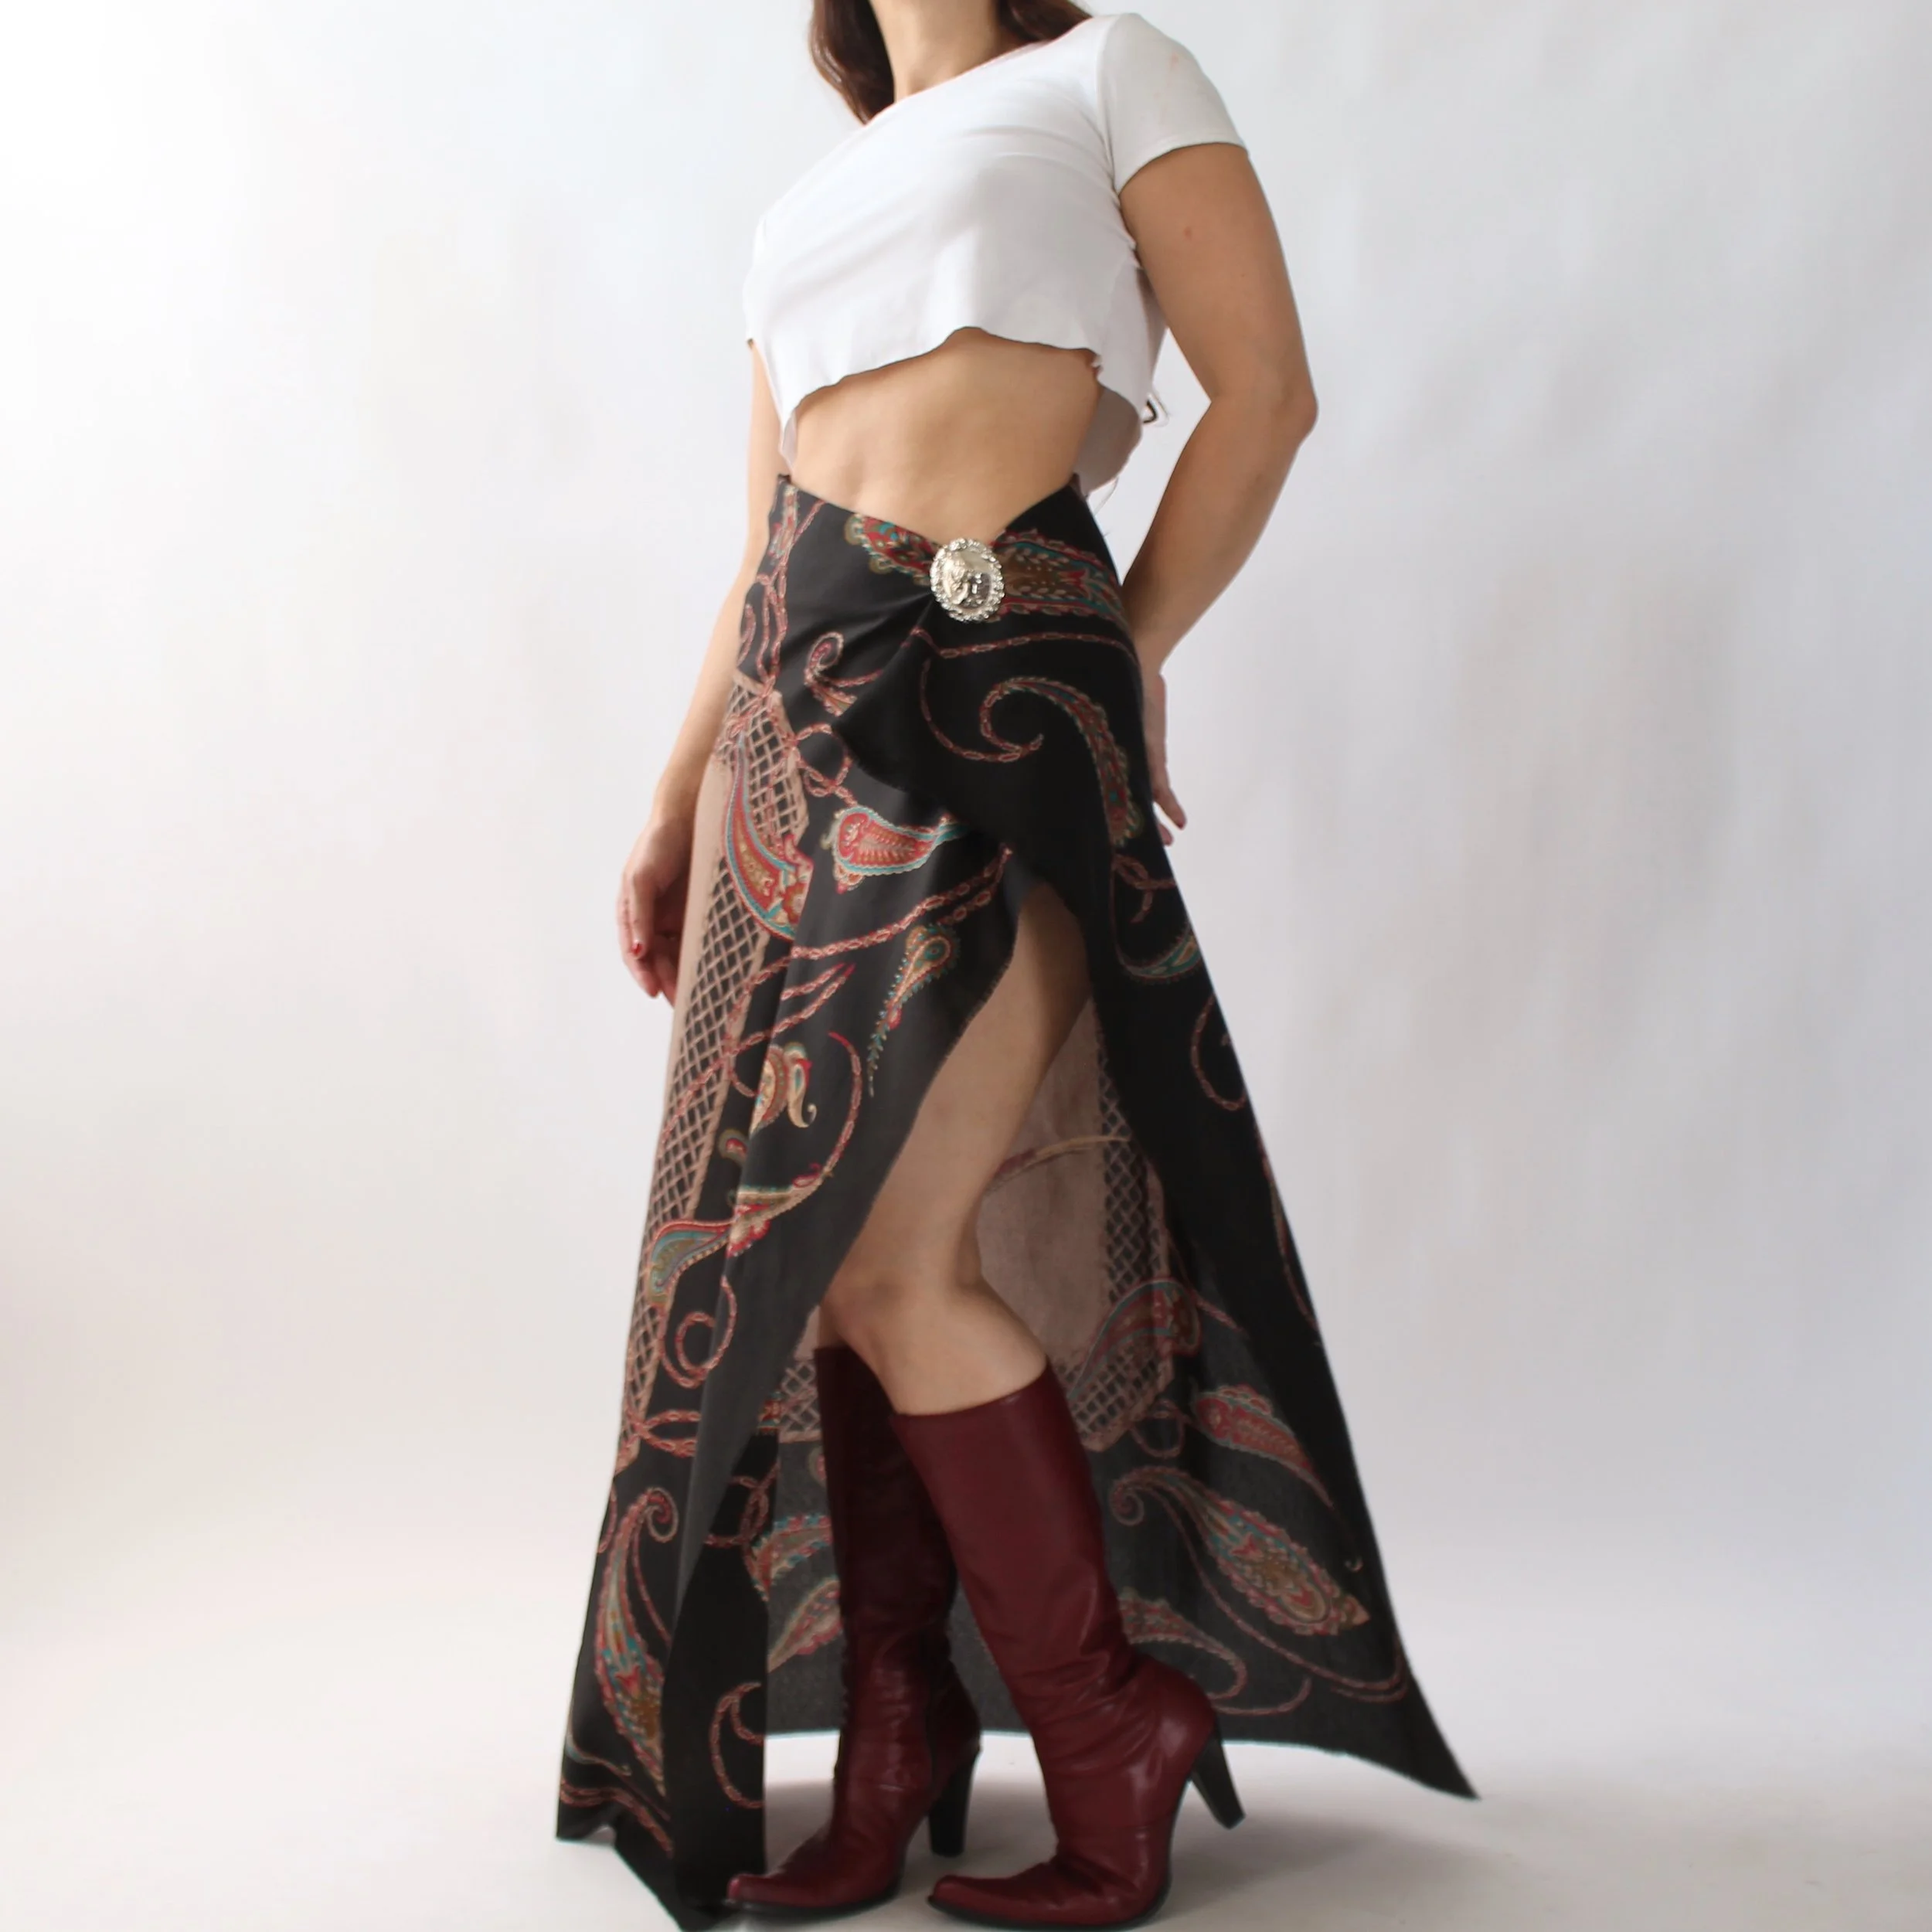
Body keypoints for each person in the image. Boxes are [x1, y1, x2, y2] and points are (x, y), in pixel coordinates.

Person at [556, 5, 1471, 1927]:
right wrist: (665, 797)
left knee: (896, 1253)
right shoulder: (798, 210)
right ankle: (898, 1749)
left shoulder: (1106, 72)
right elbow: (761, 547)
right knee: (828, 1274)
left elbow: (1264, 394)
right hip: (794, 737)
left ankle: (1110, 1721)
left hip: (997, 689)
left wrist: (1115, 645)